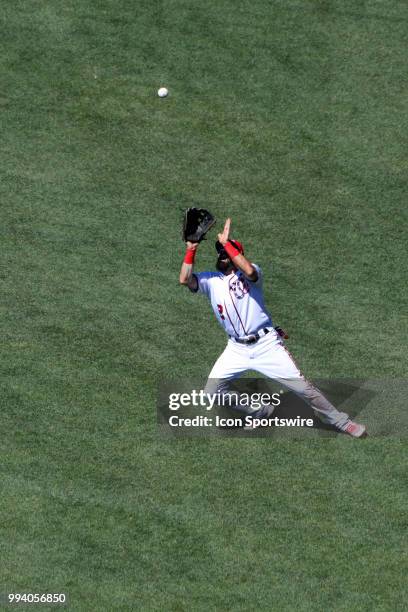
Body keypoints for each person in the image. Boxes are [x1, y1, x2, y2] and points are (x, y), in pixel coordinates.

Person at [179, 217, 367, 438]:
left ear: (235, 255)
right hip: (236, 349)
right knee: (211, 393)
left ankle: (341, 422)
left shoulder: (251, 276)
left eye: (225, 252)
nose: (221, 254)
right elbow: (185, 279)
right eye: (219, 251)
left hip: (266, 345)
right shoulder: (210, 281)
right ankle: (259, 410)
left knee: (303, 388)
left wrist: (227, 244)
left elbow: (248, 270)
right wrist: (191, 248)